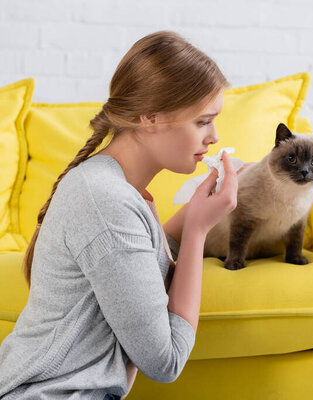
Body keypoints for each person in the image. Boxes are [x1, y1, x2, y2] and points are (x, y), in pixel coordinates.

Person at [0, 30, 247, 399]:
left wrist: (198, 210)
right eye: (202, 121)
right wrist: (198, 230)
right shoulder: (106, 201)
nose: (213, 136)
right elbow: (166, 362)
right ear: (149, 118)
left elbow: (139, 268)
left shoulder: (117, 190)